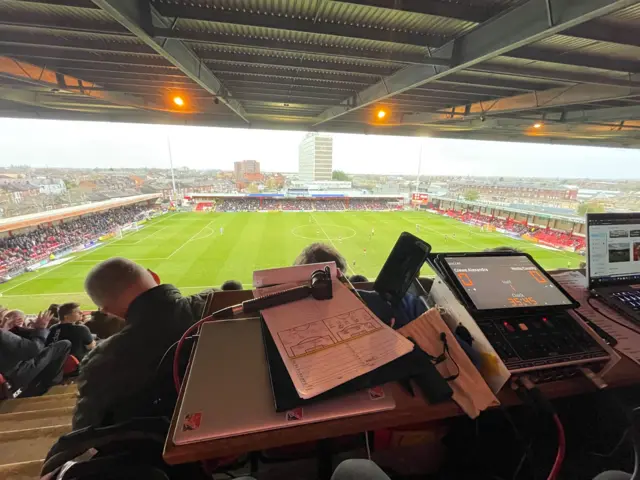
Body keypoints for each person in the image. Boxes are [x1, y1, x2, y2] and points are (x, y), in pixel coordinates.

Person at [74, 257, 213, 430]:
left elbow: (85, 432)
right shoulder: (220, 303)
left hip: (161, 451)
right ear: (154, 276)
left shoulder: (100, 362)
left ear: (108, 311)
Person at [0, 310, 70, 397]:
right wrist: (41, 328)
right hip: (15, 375)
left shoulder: (3, 333)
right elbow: (34, 349)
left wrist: (5, 329)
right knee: (64, 345)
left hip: (8, 375)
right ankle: (51, 386)